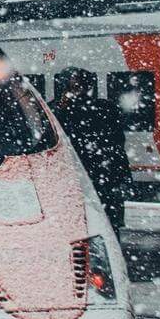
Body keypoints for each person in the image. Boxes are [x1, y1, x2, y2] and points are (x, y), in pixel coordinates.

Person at [51, 67, 133, 236]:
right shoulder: (106, 109)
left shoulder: (57, 111)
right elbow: (117, 145)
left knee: (79, 230)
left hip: (79, 179)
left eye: (76, 85)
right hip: (102, 178)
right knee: (107, 230)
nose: (76, 90)